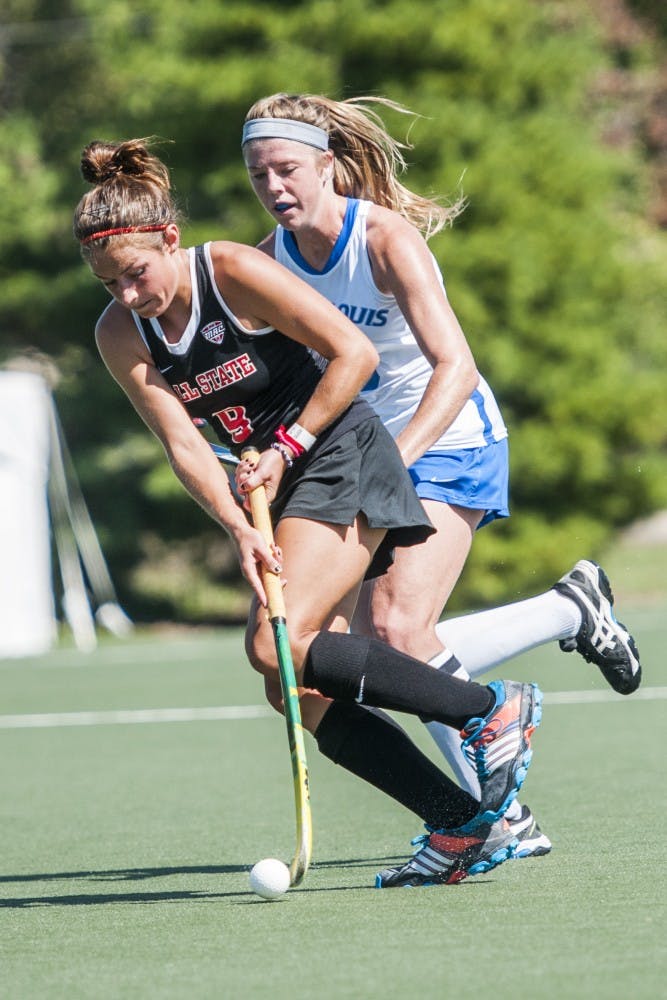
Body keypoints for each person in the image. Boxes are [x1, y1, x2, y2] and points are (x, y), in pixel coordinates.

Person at [73, 137, 544, 889]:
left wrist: (288, 444)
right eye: (107, 284)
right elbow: (184, 446)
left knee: (274, 645)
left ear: (170, 239)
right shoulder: (119, 332)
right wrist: (237, 529)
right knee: (292, 684)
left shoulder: (231, 271)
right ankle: (459, 824)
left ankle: (486, 708)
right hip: (274, 486)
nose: (127, 295)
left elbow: (352, 352)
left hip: (338, 454)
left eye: (135, 274)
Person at [240, 93, 642, 858]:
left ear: (327, 164)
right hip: (359, 455)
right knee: (362, 656)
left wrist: (397, 459)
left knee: (393, 630)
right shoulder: (269, 262)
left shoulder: (384, 239)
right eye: (259, 175)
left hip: (448, 434)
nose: (275, 187)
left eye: (287, 168)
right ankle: (566, 611)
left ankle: (501, 816)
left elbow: (454, 367)